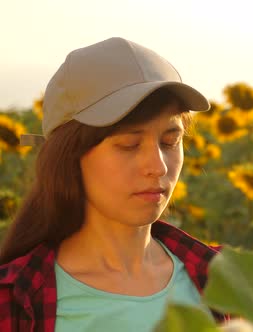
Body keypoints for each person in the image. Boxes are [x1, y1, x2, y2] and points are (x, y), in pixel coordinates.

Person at [0, 37, 227, 331]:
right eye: (129, 145)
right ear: (68, 156)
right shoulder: (15, 301)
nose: (157, 167)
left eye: (171, 141)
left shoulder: (222, 278)